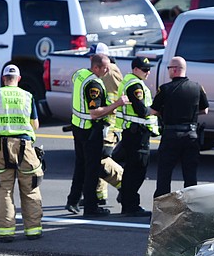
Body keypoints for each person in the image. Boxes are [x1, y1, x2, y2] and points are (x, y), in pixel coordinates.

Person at [0, 64, 43, 242]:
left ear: (3, 78)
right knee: (30, 187)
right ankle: (33, 230)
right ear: (19, 79)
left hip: (3, 147)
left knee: (3, 190)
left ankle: (6, 232)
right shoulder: (27, 96)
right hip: (25, 146)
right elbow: (35, 125)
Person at [65, 53, 128, 217]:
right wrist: (117, 103)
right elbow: (95, 112)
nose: (108, 70)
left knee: (80, 166)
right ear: (96, 67)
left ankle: (72, 201)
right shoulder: (94, 84)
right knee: (91, 170)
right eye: (105, 67)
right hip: (89, 131)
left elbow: (75, 81)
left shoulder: (80, 74)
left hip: (77, 127)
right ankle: (91, 208)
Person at [150, 56, 208, 197]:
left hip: (171, 135)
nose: (169, 70)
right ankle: (192, 207)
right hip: (191, 135)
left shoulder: (164, 89)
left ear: (175, 69)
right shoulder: (197, 87)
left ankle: (162, 209)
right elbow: (205, 110)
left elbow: (153, 111)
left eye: (169, 68)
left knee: (164, 173)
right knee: (190, 175)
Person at [115, 56, 158, 216]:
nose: (148, 72)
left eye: (149, 69)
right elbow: (142, 110)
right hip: (136, 133)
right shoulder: (134, 85)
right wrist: (156, 110)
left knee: (132, 169)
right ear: (135, 70)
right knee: (137, 169)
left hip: (134, 132)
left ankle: (127, 201)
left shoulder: (132, 81)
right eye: (145, 69)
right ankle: (130, 205)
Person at [91, 42, 124, 207]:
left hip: (110, 123)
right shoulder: (104, 71)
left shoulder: (110, 72)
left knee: (101, 158)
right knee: (97, 157)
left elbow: (119, 99)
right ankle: (99, 195)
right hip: (103, 121)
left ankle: (125, 185)